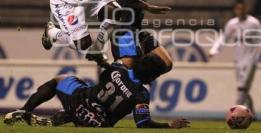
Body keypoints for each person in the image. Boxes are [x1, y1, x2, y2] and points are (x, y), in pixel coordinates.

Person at [4, 54, 189, 129]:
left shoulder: (119, 69)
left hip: (79, 101)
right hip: (98, 123)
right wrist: (168, 126)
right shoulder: (142, 95)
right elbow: (143, 123)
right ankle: (55, 120)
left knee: (59, 80)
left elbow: (105, 70)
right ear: (151, 78)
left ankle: (26, 110)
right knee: (88, 112)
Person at [208, 2, 261, 116]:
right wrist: (214, 50)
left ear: (246, 10)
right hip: (238, 60)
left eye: (242, 9)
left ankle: (235, 113)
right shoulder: (232, 24)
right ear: (235, 10)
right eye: (238, 9)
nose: (240, 11)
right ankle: (252, 113)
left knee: (241, 87)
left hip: (251, 59)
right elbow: (224, 38)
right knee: (244, 89)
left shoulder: (254, 23)